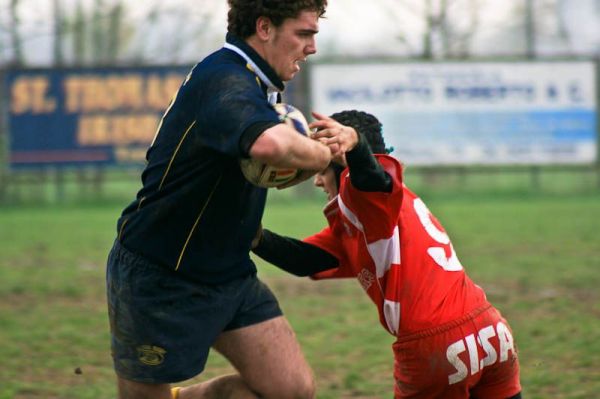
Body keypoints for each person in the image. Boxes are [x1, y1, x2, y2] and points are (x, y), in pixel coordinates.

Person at [105, 1, 331, 398]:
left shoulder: (257, 84)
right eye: (304, 33)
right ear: (264, 28)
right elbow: (268, 144)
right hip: (161, 274)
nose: (311, 47)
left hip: (227, 272)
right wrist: (323, 155)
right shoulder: (225, 80)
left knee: (291, 390)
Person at [252, 110, 523, 399]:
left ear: (345, 165)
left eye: (322, 168)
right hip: (491, 329)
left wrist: (355, 146)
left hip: (437, 345)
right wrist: (256, 239)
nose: (317, 181)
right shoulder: (370, 217)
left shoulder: (368, 200)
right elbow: (307, 259)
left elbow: (372, 180)